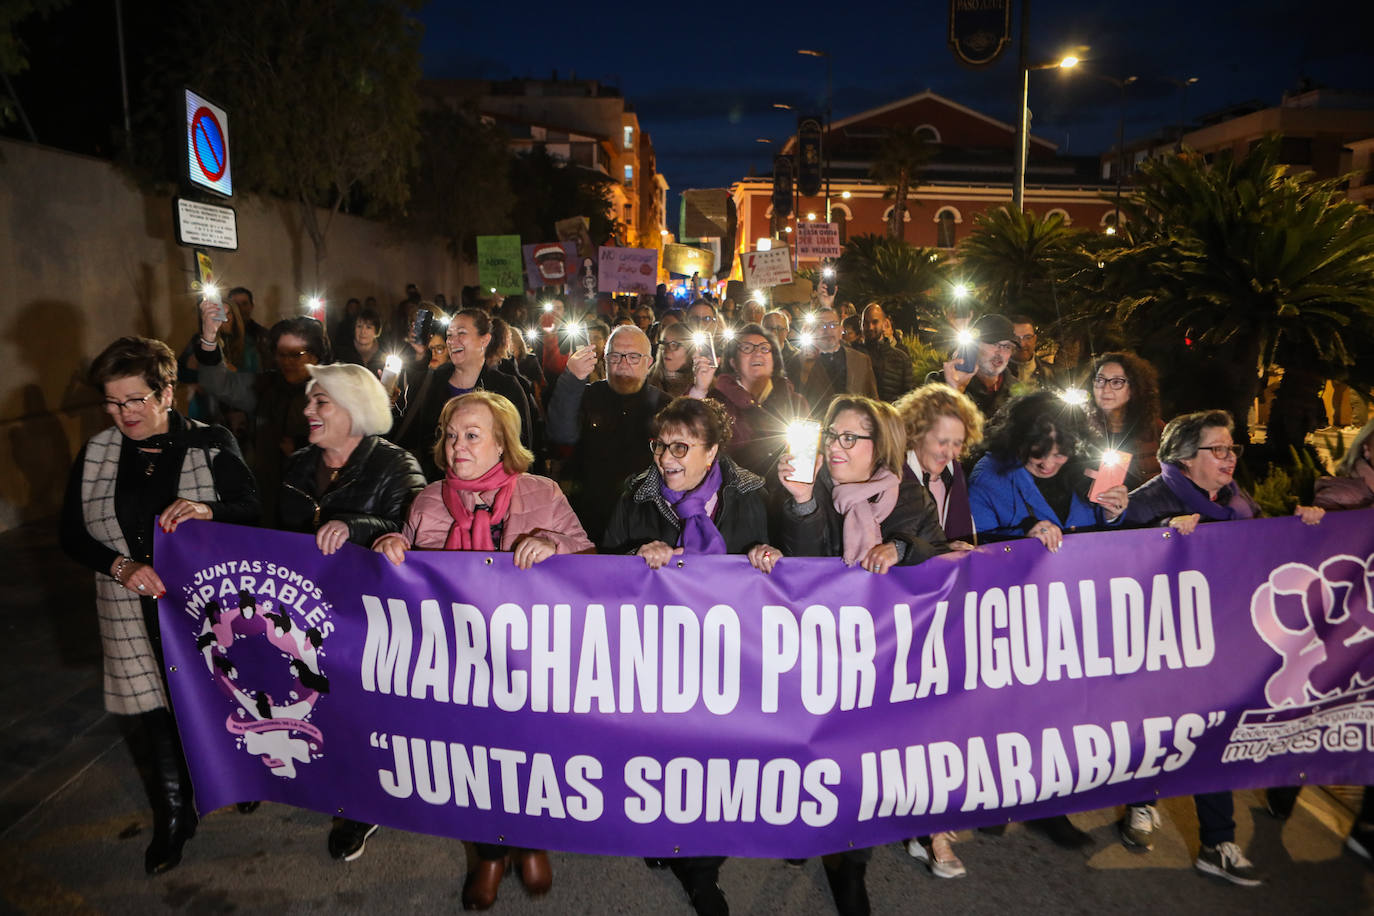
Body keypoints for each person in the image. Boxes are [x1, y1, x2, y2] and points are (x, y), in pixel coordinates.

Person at [374, 391, 591, 909]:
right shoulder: (427, 501)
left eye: (472, 435)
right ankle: (490, 856)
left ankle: (533, 840)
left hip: (528, 657)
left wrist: (554, 545)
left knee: (530, 755)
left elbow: (589, 557)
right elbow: (401, 578)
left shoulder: (542, 492)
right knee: (470, 761)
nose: (457, 446)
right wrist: (390, 546)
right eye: (451, 436)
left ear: (502, 444)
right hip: (454, 661)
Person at [60, 336, 260, 875]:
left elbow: (252, 507)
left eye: (134, 401)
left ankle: (234, 777)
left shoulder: (211, 442)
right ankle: (175, 815)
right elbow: (72, 534)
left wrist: (208, 508)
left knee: (216, 698)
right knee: (154, 714)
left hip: (201, 608)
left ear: (167, 392)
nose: (122, 414)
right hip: (128, 608)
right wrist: (120, 567)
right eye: (111, 402)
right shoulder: (98, 453)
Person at [1119, 409, 1323, 886]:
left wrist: (1304, 527)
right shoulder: (1147, 502)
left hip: (1220, 644)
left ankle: (1217, 841)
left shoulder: (1238, 503)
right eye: (1219, 449)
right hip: (1162, 646)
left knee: (1214, 735)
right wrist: (1162, 536)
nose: (1230, 458)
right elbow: (1114, 567)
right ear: (1186, 458)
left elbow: (1265, 558)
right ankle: (1141, 801)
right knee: (1157, 729)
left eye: (1233, 449)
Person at [603, 396, 777, 916]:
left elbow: (790, 561)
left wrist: (766, 555)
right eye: (660, 445)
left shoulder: (751, 494)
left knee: (716, 761)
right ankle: (661, 833)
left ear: (712, 452)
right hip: (658, 652)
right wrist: (637, 555)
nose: (665, 457)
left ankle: (704, 873)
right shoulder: (636, 494)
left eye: (681, 446)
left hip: (731, 653)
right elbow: (602, 565)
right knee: (661, 752)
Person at [774, 395, 947, 915]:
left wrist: (903, 548)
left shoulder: (911, 497)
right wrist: (802, 504)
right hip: (819, 651)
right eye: (832, 435)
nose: (836, 446)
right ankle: (805, 830)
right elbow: (797, 569)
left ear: (882, 447)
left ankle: (851, 868)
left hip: (883, 658)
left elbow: (939, 551)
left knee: (862, 764)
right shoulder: (805, 482)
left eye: (851, 438)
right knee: (812, 753)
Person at [194, 304, 332, 525]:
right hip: (268, 498)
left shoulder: (333, 391)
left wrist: (301, 447)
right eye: (281, 354)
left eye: (296, 355)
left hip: (317, 508)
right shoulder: (267, 386)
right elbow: (219, 384)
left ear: (316, 356)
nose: (287, 362)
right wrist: (210, 337)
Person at [546, 325, 668, 542]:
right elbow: (561, 434)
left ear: (648, 362)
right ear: (604, 360)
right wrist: (572, 380)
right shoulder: (586, 395)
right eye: (615, 356)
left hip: (646, 521)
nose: (623, 363)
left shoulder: (664, 405)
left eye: (633, 357)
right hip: (588, 516)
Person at [968, 390, 1129, 550]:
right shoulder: (988, 477)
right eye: (1037, 454)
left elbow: (1102, 533)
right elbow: (978, 547)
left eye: (1059, 455)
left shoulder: (1085, 464)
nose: (1048, 465)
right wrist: (1024, 540)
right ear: (1017, 442)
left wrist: (1110, 515)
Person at [393, 308, 532, 480]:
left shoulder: (506, 387)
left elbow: (521, 446)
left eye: (461, 333)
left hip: (493, 491)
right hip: (440, 487)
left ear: (484, 340)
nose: (452, 341)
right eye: (449, 335)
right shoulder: (432, 382)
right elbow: (411, 433)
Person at [707, 323, 809, 480]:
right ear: (733, 362)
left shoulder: (796, 403)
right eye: (747, 348)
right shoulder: (717, 403)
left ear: (773, 360)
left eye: (764, 348)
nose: (757, 353)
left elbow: (804, 460)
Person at [895, 383, 984, 548]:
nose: (949, 453)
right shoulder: (894, 476)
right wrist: (941, 552)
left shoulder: (954, 471)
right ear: (916, 432)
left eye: (957, 443)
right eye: (942, 442)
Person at [1084, 351, 1163, 490]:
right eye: (1100, 380)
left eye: (1116, 382)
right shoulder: (1080, 428)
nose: (1105, 389)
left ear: (1133, 388)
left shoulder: (1154, 429)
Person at [785, 307, 879, 416]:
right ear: (812, 330)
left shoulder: (861, 360)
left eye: (833, 325)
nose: (828, 330)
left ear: (841, 330)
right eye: (821, 326)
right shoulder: (798, 361)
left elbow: (873, 401)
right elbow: (791, 401)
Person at [925, 313, 1017, 419]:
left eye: (1007, 347)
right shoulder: (940, 383)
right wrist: (955, 390)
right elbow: (927, 427)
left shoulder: (1018, 392)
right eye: (994, 344)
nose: (1000, 352)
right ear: (974, 346)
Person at [856, 303, 915, 402]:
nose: (870, 327)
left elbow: (909, 396)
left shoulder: (901, 358)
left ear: (884, 323)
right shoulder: (853, 355)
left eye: (875, 322)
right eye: (865, 323)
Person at [647, 322, 714, 399]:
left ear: (690, 350)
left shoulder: (708, 386)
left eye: (674, 345)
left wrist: (699, 390)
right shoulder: (647, 382)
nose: (666, 350)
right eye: (664, 343)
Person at [1006, 315, 1056, 389]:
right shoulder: (997, 374)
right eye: (1015, 338)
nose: (1022, 344)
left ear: (1034, 339)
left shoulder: (1049, 373)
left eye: (1027, 338)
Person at [334, 307, 387, 375]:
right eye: (359, 326)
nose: (363, 331)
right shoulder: (342, 352)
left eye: (368, 327)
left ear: (376, 331)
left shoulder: (384, 352)